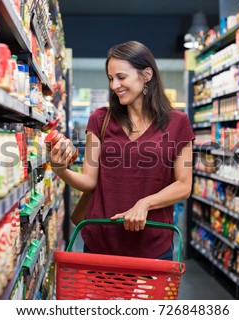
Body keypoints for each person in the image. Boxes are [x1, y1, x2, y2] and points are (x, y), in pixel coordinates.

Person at [49, 41, 194, 260]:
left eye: (121, 77)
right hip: (102, 242)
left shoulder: (177, 122)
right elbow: (90, 182)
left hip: (153, 244)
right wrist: (61, 170)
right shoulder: (100, 119)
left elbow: (183, 185)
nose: (114, 85)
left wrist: (145, 203)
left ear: (146, 75)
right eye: (110, 78)